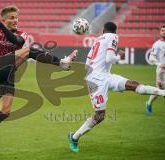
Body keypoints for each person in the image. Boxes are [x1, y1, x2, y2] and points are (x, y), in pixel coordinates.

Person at [0, 5, 77, 154]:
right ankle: (62, 63)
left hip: (7, 74)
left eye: (17, 17)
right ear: (4, 19)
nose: (15, 20)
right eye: (12, 18)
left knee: (5, 111)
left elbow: (15, 41)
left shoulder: (22, 33)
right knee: (28, 51)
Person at [68, 22, 165, 153]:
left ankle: (162, 92)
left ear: (103, 29)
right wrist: (120, 55)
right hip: (96, 81)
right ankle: (74, 137)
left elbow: (88, 61)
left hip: (103, 76)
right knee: (100, 115)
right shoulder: (112, 36)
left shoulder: (98, 40)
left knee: (134, 85)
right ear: (115, 31)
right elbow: (110, 58)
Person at [146, 24, 165, 114]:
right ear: (160, 32)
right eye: (162, 30)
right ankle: (149, 103)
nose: (164, 32)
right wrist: (160, 64)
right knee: (160, 90)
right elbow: (151, 57)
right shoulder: (157, 44)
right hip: (161, 71)